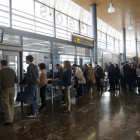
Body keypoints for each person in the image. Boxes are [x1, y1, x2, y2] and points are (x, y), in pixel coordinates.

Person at [0, 60, 17, 125]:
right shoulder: (12, 70)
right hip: (12, 88)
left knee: (6, 104)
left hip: (5, 89)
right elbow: (16, 80)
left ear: (1, 64)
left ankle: (9, 120)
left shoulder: (1, 71)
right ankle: (11, 117)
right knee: (11, 103)